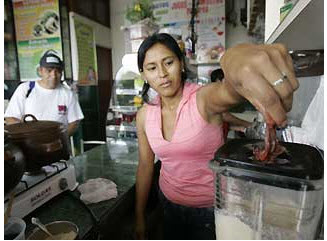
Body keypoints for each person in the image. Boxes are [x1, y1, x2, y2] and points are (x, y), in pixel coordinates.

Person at [134, 33, 298, 239]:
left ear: (181, 64)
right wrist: (139, 216)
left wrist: (234, 61)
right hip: (168, 204)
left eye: (168, 62)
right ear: (144, 75)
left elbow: (230, 91)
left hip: (212, 209)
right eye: (152, 68)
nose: (162, 73)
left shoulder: (203, 99)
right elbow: (145, 166)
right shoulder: (144, 116)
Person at [4, 50, 84, 136]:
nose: (53, 75)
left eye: (57, 71)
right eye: (49, 70)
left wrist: (60, 139)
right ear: (40, 71)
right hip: (29, 143)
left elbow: (74, 122)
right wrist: (29, 135)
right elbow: (10, 118)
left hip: (57, 145)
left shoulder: (67, 94)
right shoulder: (25, 89)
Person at [210, 68, 252, 138]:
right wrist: (248, 124)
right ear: (219, 81)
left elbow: (220, 122)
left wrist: (239, 128)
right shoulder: (215, 96)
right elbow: (224, 116)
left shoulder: (221, 94)